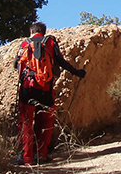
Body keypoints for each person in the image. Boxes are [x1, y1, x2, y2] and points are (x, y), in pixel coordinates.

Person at [13, 22, 86, 165]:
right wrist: (77, 72)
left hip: (27, 88)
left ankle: (26, 157)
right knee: (45, 121)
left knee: (26, 122)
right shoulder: (50, 42)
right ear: (43, 32)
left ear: (31, 32)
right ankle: (42, 154)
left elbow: (16, 64)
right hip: (45, 88)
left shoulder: (25, 43)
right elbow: (60, 61)